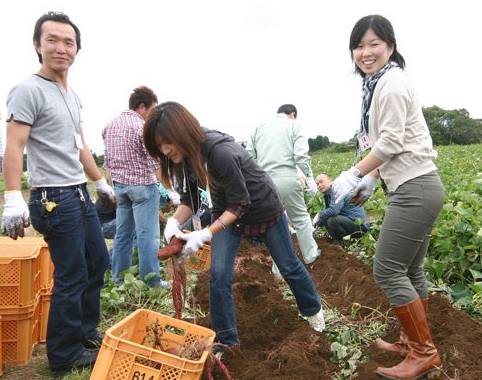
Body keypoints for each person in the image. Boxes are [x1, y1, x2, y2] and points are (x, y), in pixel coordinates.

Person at [143, 101, 326, 355]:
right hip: (226, 211)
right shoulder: (185, 157)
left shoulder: (220, 152)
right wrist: (174, 221)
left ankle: (313, 312)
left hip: (262, 208)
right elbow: (189, 199)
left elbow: (241, 202)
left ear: (181, 131)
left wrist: (206, 233)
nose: (164, 150)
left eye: (167, 142)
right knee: (218, 275)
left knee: (288, 266)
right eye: (159, 146)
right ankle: (226, 341)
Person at [1, 11, 115, 377]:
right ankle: (64, 354)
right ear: (37, 45)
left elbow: (80, 145)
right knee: (72, 273)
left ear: (78, 49)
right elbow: (15, 146)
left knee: (97, 261)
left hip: (77, 193)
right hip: (53, 198)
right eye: (52, 40)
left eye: (68, 42)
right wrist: (12, 196)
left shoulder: (71, 95)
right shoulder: (28, 90)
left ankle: (84, 333)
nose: (60, 48)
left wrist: (100, 182)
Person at [331, 14, 444, 380]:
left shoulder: (391, 83)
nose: (366, 53)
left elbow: (392, 142)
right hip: (416, 185)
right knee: (410, 269)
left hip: (415, 188)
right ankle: (412, 343)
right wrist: (372, 176)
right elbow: (395, 143)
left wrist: (355, 173)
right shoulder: (379, 84)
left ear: (390, 47)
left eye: (374, 44)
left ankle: (424, 352)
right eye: (358, 46)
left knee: (387, 268)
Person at [102, 86, 171, 288]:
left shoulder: (110, 125)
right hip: (142, 187)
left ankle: (118, 280)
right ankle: (152, 281)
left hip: (120, 188)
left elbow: (107, 162)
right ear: (142, 106)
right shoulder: (141, 127)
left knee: (123, 235)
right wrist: (170, 190)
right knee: (147, 236)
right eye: (152, 110)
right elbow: (153, 162)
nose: (152, 115)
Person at [248, 104, 321, 265]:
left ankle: (278, 268)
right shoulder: (294, 125)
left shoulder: (259, 128)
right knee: (300, 219)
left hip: (265, 182)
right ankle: (310, 256)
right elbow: (301, 156)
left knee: (273, 224)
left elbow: (248, 155)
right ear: (292, 114)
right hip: (287, 177)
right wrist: (309, 178)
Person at [313, 172, 370, 246]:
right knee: (325, 217)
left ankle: (341, 243)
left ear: (330, 180)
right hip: (349, 222)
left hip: (360, 226)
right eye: (317, 184)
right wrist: (317, 224)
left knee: (332, 220)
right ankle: (337, 241)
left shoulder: (336, 190)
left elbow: (334, 211)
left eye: (321, 181)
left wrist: (319, 215)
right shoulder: (328, 194)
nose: (319, 185)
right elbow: (327, 212)